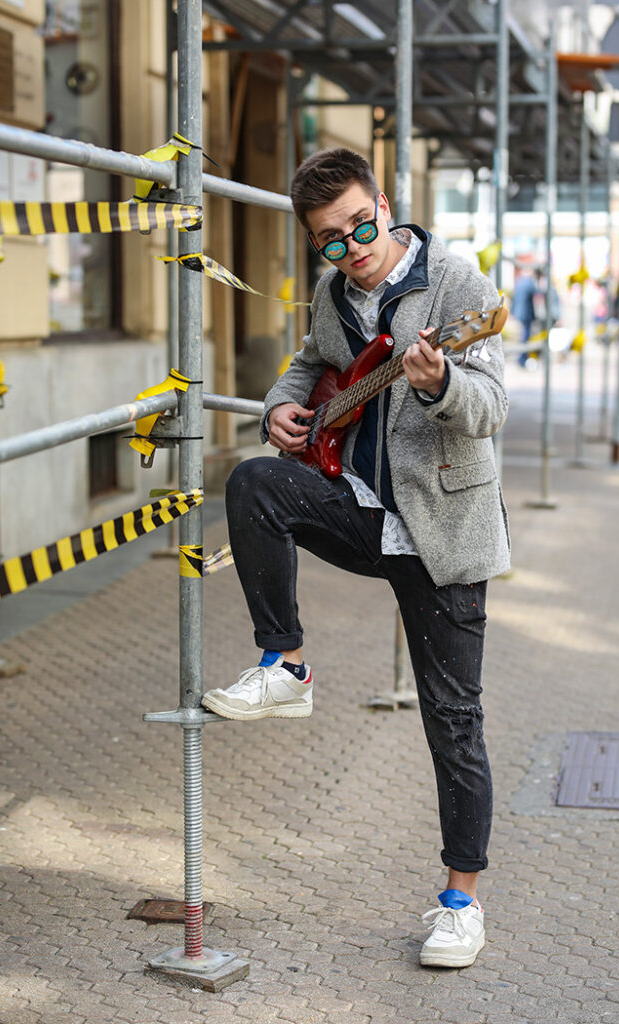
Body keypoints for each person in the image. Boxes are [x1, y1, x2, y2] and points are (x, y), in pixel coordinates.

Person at [202, 148, 510, 969]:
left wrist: (440, 383)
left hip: (441, 531)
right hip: (361, 509)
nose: (352, 249)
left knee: (452, 723)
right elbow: (310, 361)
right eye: (331, 242)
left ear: (383, 202)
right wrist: (280, 408)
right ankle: (286, 664)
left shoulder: (457, 288)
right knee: (255, 484)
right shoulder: (335, 292)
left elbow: (489, 408)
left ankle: (459, 905)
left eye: (360, 227)